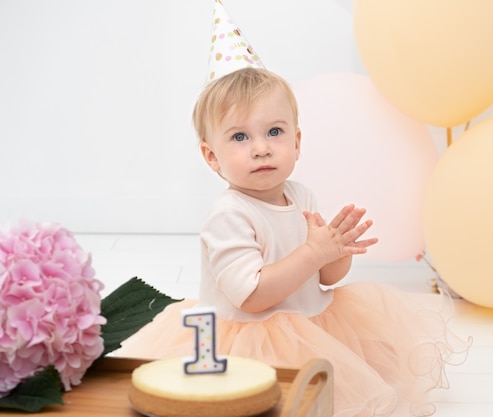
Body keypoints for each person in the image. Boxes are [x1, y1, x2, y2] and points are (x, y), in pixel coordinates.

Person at [118, 67, 469, 417]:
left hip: (310, 323)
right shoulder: (228, 215)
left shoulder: (301, 195)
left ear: (297, 142)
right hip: (247, 336)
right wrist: (313, 252)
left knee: (329, 393)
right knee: (257, 400)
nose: (261, 149)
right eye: (240, 137)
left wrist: (334, 250)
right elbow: (253, 296)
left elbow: (326, 278)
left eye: (274, 132)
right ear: (212, 157)